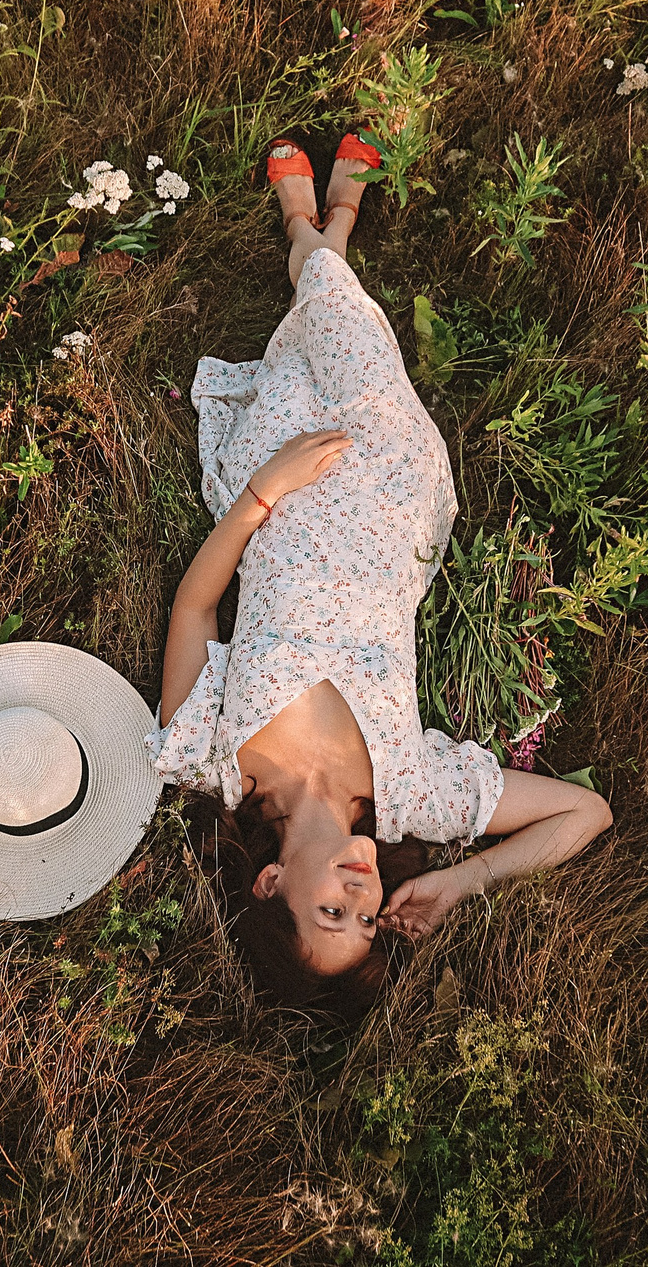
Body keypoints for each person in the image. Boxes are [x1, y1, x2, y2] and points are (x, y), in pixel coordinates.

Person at [147, 133, 612, 1014]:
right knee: (345, 351)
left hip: (279, 483)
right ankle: (316, 233)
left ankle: (322, 236)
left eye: (332, 911)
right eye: (367, 921)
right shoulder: (411, 798)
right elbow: (585, 817)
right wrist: (463, 882)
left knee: (301, 360)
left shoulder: (206, 759)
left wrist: (262, 491)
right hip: (396, 491)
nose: (362, 897)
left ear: (269, 886)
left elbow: (196, 607)